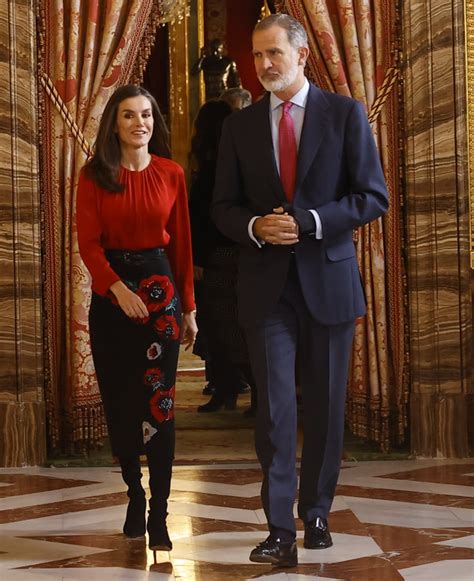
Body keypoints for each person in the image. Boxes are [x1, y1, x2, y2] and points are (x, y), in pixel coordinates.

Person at [212, 14, 389, 568]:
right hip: (268, 292)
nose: (263, 65)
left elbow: (372, 197)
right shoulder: (237, 127)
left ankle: (316, 511)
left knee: (327, 406)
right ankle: (278, 527)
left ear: (302, 53)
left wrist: (311, 220)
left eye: (273, 54)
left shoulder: (344, 114)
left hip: (329, 283)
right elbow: (220, 209)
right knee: (275, 412)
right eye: (257, 55)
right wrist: (254, 227)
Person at [76, 85, 197, 556]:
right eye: (129, 115)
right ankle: (133, 493)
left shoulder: (171, 173)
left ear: (154, 121)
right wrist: (118, 290)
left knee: (160, 407)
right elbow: (88, 244)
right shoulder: (94, 175)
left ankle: (161, 513)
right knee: (122, 404)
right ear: (115, 123)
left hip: (160, 295)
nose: (139, 123)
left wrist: (189, 307)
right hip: (113, 300)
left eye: (147, 114)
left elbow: (182, 245)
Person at [188, 99, 256, 413]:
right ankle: (235, 390)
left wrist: (198, 259)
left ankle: (231, 389)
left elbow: (202, 220)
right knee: (231, 328)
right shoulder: (238, 161)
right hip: (236, 253)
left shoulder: (215, 169)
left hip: (219, 256)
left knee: (225, 327)